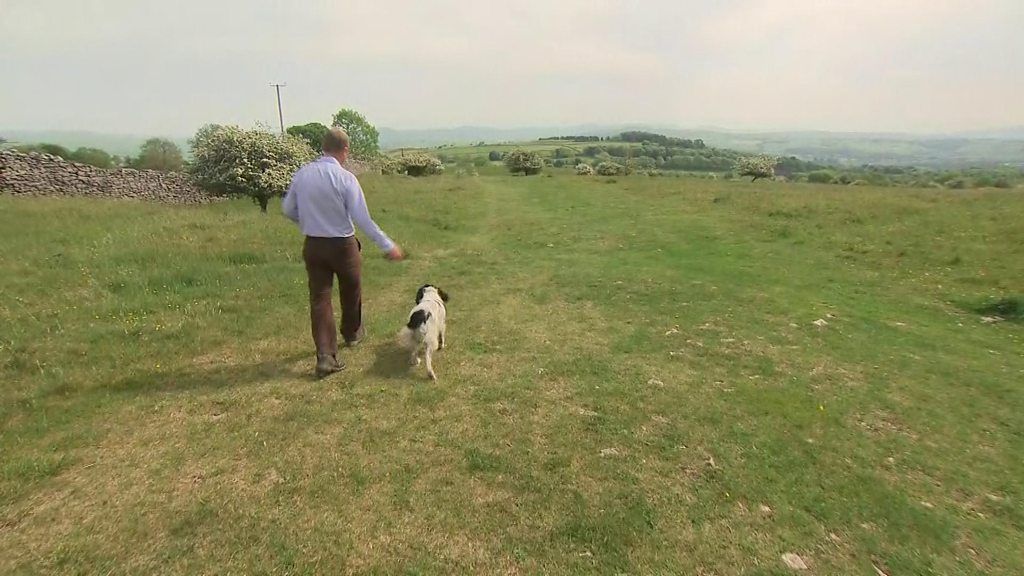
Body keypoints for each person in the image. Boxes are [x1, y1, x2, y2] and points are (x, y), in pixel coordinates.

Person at [283, 128, 404, 378]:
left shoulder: (303, 174)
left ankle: (326, 355)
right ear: (345, 149)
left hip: (314, 245)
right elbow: (363, 219)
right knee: (351, 289)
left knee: (320, 298)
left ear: (323, 147)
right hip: (343, 245)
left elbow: (288, 209)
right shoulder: (346, 178)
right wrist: (387, 245)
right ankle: (352, 333)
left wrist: (308, 222)